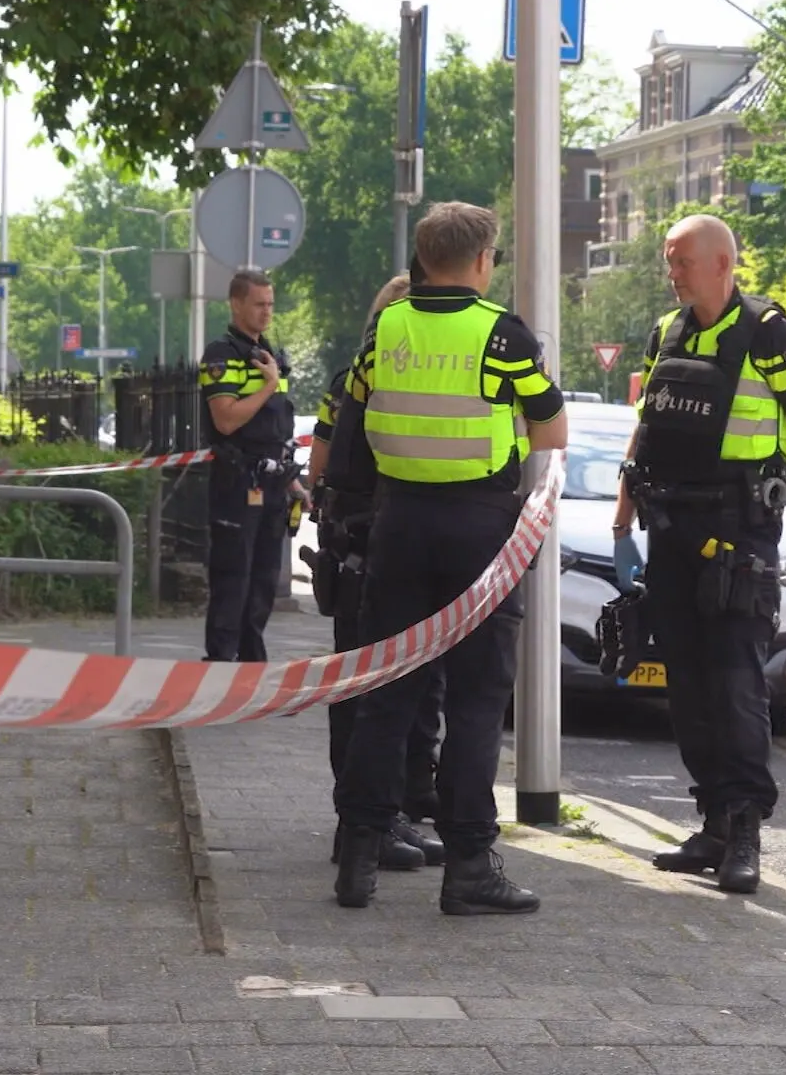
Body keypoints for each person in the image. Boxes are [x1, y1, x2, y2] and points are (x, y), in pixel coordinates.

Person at [325, 201, 568, 915]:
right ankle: (468, 865)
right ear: (483, 261)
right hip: (481, 535)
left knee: (386, 693)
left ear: (424, 259)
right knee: (475, 702)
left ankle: (358, 855)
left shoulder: (384, 329)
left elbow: (356, 415)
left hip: (398, 526)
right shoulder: (502, 336)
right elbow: (551, 425)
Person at [611, 214, 786, 895]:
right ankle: (712, 822)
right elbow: (646, 425)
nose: (670, 272)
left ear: (721, 264)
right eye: (668, 260)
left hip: (740, 531)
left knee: (735, 680)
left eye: (680, 260)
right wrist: (624, 512)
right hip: (671, 527)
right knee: (685, 681)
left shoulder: (765, 331)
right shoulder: (667, 332)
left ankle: (744, 830)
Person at [305, 272, 446, 873]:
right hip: (382, 552)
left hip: (359, 551)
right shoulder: (391, 381)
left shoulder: (346, 383)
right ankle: (373, 818)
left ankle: (387, 811)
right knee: (383, 690)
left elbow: (318, 468)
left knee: (372, 687)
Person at [200, 268, 302, 663]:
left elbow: (279, 428)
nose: (266, 312)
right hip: (237, 479)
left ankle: (252, 661)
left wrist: (294, 481)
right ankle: (221, 662)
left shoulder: (270, 356)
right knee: (233, 577)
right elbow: (226, 419)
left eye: (270, 304)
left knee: (263, 580)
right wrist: (268, 386)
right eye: (258, 304)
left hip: (273, 481)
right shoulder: (221, 356)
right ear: (236, 303)